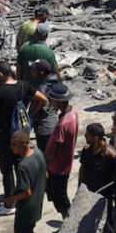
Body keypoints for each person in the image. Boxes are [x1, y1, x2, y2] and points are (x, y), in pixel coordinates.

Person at [0, 60, 47, 215]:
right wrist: (30, 114)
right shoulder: (24, 85)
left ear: (0, 74)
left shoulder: (0, 91)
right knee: (20, 166)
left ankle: (9, 204)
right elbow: (42, 98)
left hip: (4, 136)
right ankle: (23, 197)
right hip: (21, 134)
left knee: (7, 171)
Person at [44, 83, 77, 219]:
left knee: (60, 199)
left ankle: (68, 223)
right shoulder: (73, 113)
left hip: (58, 167)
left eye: (51, 100)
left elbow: (55, 148)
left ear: (58, 101)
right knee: (61, 196)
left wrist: (45, 162)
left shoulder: (63, 124)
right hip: (65, 163)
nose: (50, 103)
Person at [79, 123, 116, 233]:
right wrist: (80, 188)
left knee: (107, 225)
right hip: (89, 194)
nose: (85, 136)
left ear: (95, 138)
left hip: (105, 197)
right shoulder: (86, 150)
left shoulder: (111, 154)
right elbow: (82, 169)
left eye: (87, 134)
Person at [6, 130, 46, 233]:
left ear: (24, 145)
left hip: (25, 211)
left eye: (14, 144)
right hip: (37, 205)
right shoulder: (38, 153)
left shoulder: (22, 166)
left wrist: (11, 199)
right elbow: (45, 174)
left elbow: (27, 192)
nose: (11, 147)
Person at [31, 60, 60, 153]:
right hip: (54, 123)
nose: (31, 72)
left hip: (44, 128)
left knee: (45, 156)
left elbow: (41, 101)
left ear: (41, 72)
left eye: (33, 70)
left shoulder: (41, 89)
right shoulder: (55, 81)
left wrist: (31, 114)